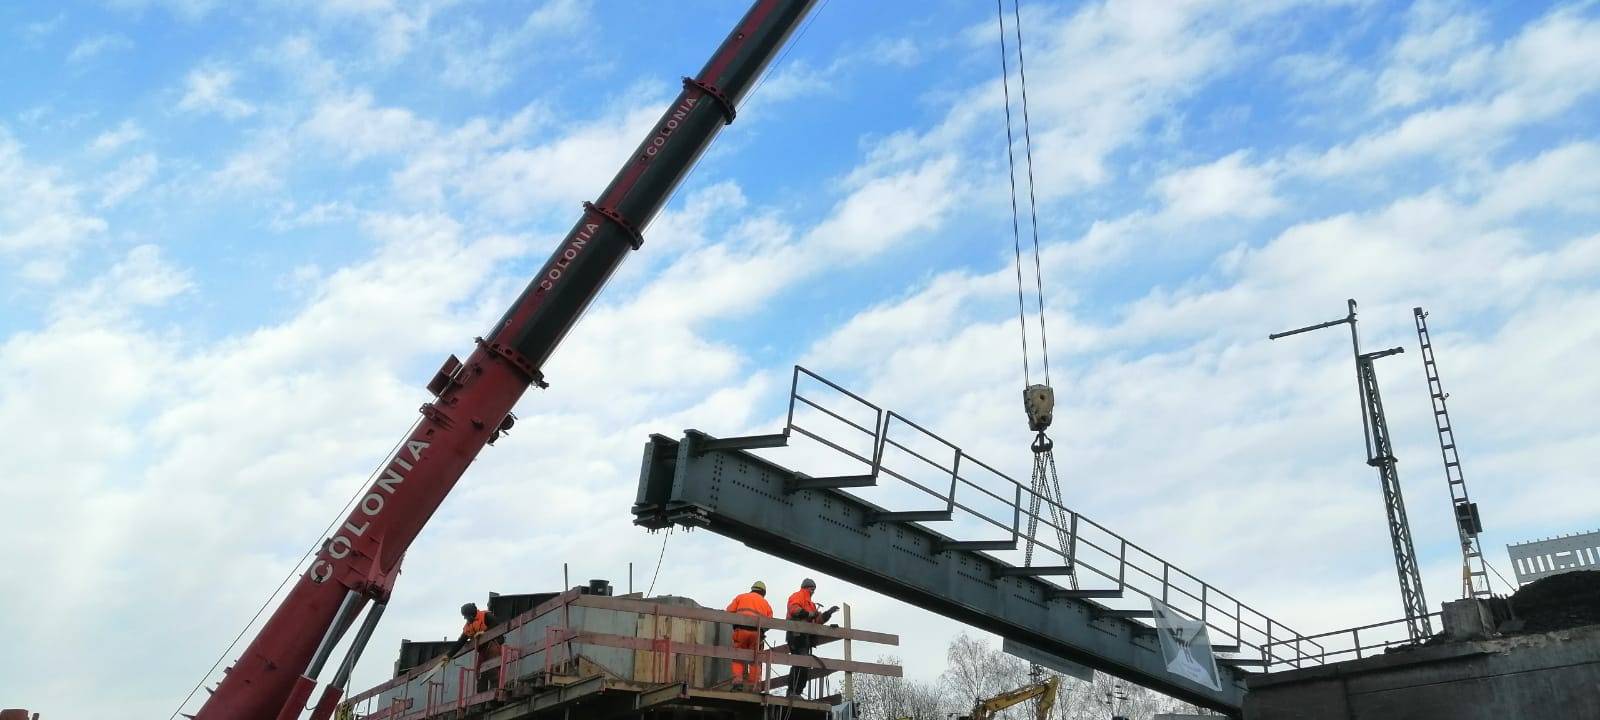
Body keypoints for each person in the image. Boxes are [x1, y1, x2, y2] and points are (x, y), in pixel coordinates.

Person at [784, 578, 837, 697]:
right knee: (800, 663)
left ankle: (796, 692)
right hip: (796, 635)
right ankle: (792, 691)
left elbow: (817, 621)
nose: (813, 591)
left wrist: (828, 614)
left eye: (814, 589)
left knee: (804, 664)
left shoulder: (811, 604)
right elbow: (793, 609)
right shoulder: (798, 596)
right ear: (805, 588)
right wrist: (809, 614)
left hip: (805, 638)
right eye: (811, 588)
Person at [725, 580, 774, 689]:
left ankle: (737, 681)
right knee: (755, 658)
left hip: (741, 631)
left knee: (737, 655)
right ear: (763, 592)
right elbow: (770, 621)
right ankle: (753, 685)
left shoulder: (741, 597)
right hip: (756, 633)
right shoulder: (765, 603)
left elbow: (729, 612)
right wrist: (763, 631)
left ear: (752, 589)